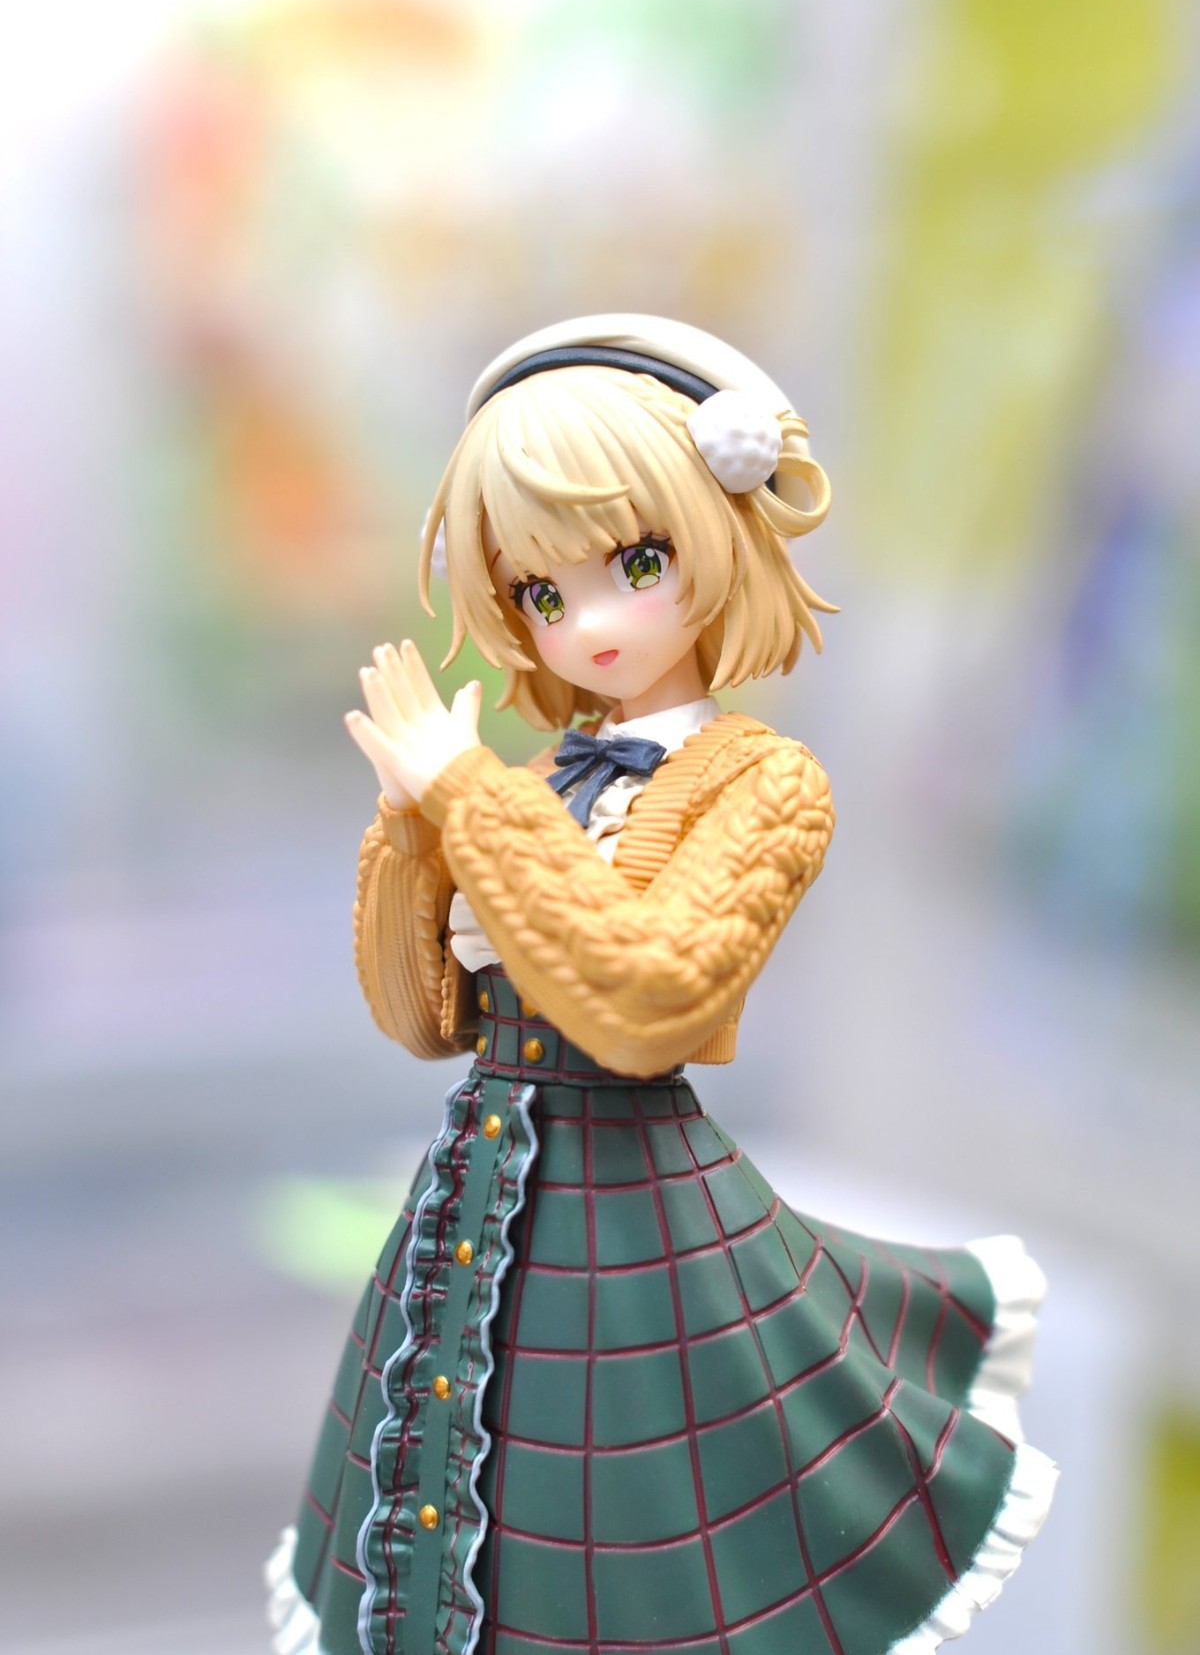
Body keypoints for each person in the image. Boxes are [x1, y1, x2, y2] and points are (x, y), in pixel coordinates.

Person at [267, 316, 1056, 1655]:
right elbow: (422, 1018)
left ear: (714, 533)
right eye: (540, 593)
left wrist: (464, 798)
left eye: (636, 563)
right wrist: (411, 825)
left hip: (635, 1210)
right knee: (462, 1519)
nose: (588, 623)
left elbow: (648, 999)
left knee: (637, 1555)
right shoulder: (526, 785)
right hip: (476, 1191)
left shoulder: (763, 781)